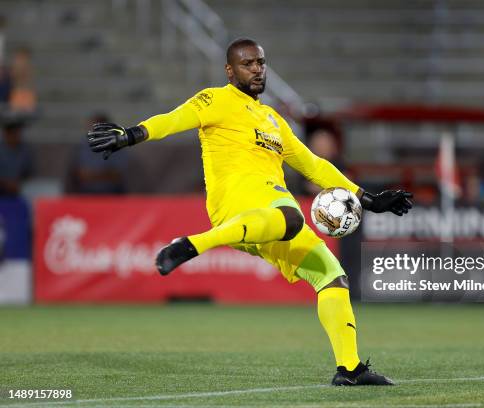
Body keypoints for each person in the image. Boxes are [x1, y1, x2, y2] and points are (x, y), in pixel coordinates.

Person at [87, 38, 412, 386]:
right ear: (230, 70)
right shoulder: (216, 99)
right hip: (238, 204)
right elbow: (173, 119)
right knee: (293, 217)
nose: (257, 69)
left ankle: (349, 369)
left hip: (267, 216)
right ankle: (193, 244)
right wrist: (130, 135)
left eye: (261, 62)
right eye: (247, 64)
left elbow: (314, 165)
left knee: (332, 276)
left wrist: (368, 199)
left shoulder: (273, 119)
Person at [0, 121, 33, 195]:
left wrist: (18, 182)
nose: (16, 137)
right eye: (13, 134)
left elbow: (29, 172)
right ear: (6, 134)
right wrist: (6, 183)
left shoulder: (25, 150)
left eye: (18, 133)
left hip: (19, 191)